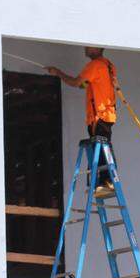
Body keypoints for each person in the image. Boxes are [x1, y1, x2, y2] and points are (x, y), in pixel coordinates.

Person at [46, 47, 118, 198]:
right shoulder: (108, 65)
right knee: (103, 151)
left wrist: (57, 72)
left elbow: (75, 82)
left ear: (97, 48)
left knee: (101, 152)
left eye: (88, 46)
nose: (85, 48)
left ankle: (106, 185)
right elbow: (85, 85)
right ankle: (104, 184)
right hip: (107, 115)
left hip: (98, 116)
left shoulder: (95, 65)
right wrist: (82, 83)